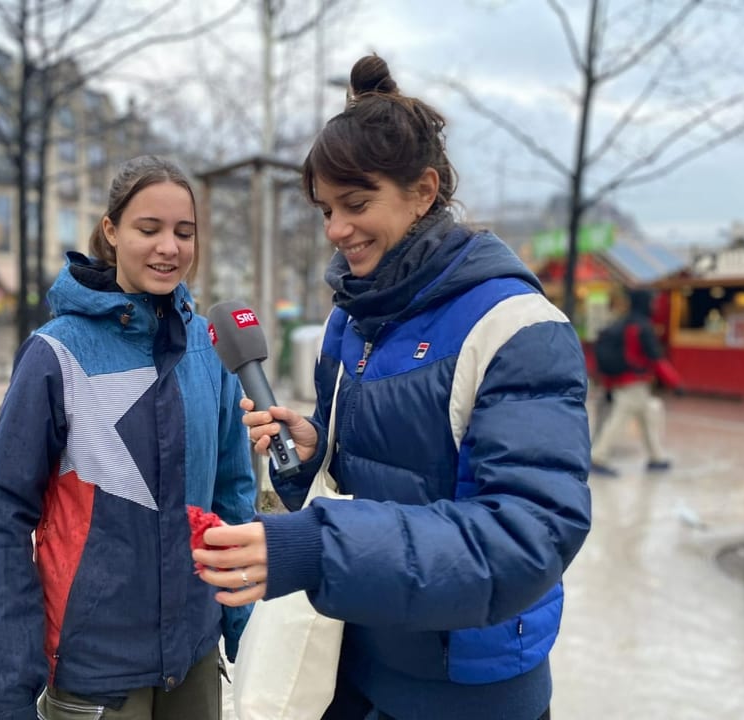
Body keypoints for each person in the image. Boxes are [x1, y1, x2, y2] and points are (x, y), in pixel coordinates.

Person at [192, 55, 592, 720]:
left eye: (356, 204)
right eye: (324, 210)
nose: (336, 230)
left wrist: (317, 548)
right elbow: (365, 480)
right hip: (350, 662)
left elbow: (531, 535)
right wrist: (313, 451)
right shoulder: (352, 318)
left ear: (424, 190)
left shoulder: (518, 329)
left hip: (470, 688)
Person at [0, 155, 257, 720]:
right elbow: (3, 513)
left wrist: (243, 634)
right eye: (148, 229)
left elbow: (232, 497)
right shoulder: (56, 352)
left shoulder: (211, 346)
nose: (168, 248)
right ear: (111, 231)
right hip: (94, 668)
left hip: (196, 657)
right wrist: (8, 689)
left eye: (184, 232)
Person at [590, 287, 683, 477]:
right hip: (634, 384)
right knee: (618, 421)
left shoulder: (622, 323)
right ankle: (599, 457)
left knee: (648, 417)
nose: (655, 305)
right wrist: (675, 383)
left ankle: (656, 457)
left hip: (624, 382)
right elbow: (656, 359)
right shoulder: (642, 327)